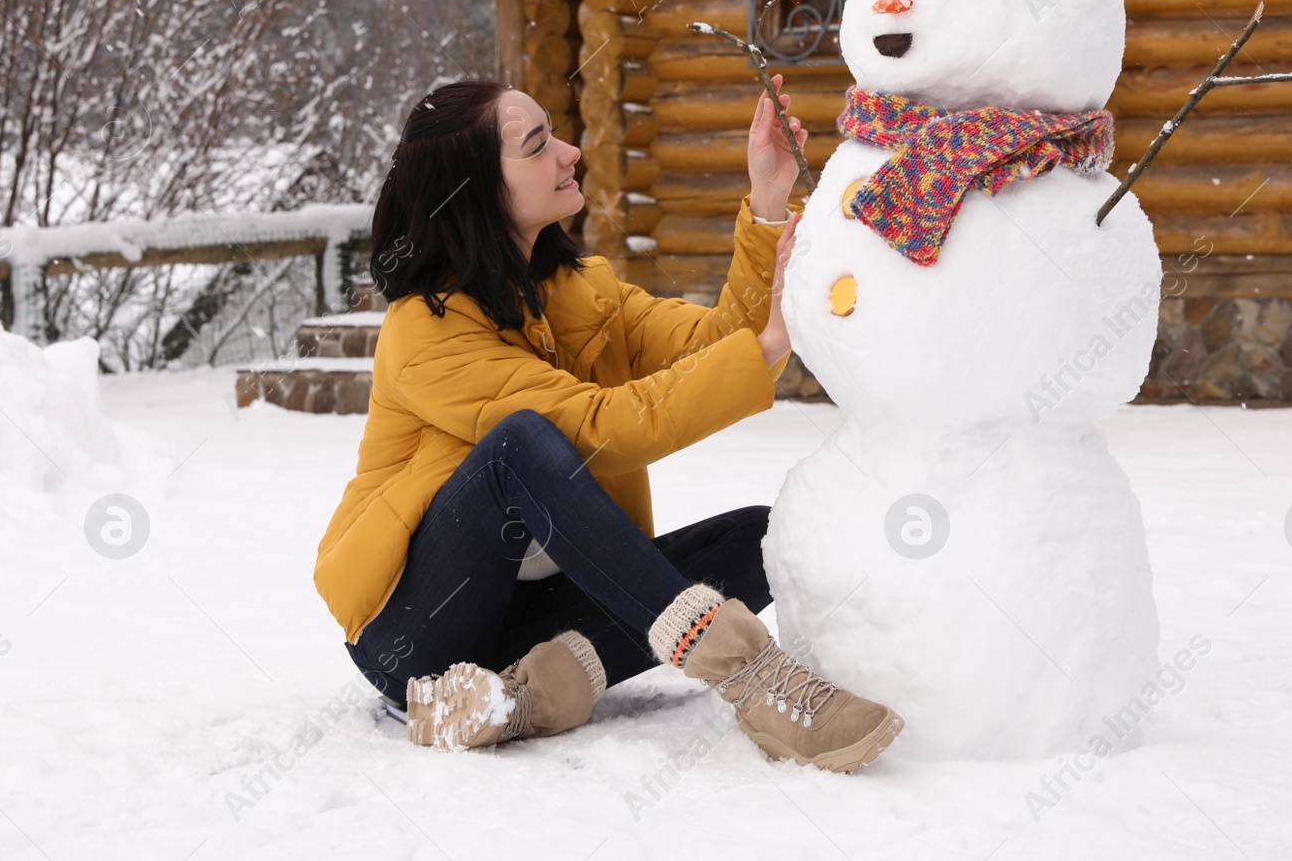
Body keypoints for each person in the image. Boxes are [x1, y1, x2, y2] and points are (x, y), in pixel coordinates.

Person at [313, 77, 903, 774]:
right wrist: (767, 347)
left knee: (761, 536)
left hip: (525, 616)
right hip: (414, 634)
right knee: (520, 446)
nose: (569, 151)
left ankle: (524, 696)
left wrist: (767, 202)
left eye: (553, 133)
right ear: (474, 190)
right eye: (537, 145)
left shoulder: (575, 288)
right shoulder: (425, 333)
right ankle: (751, 676)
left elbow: (714, 344)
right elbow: (601, 425)